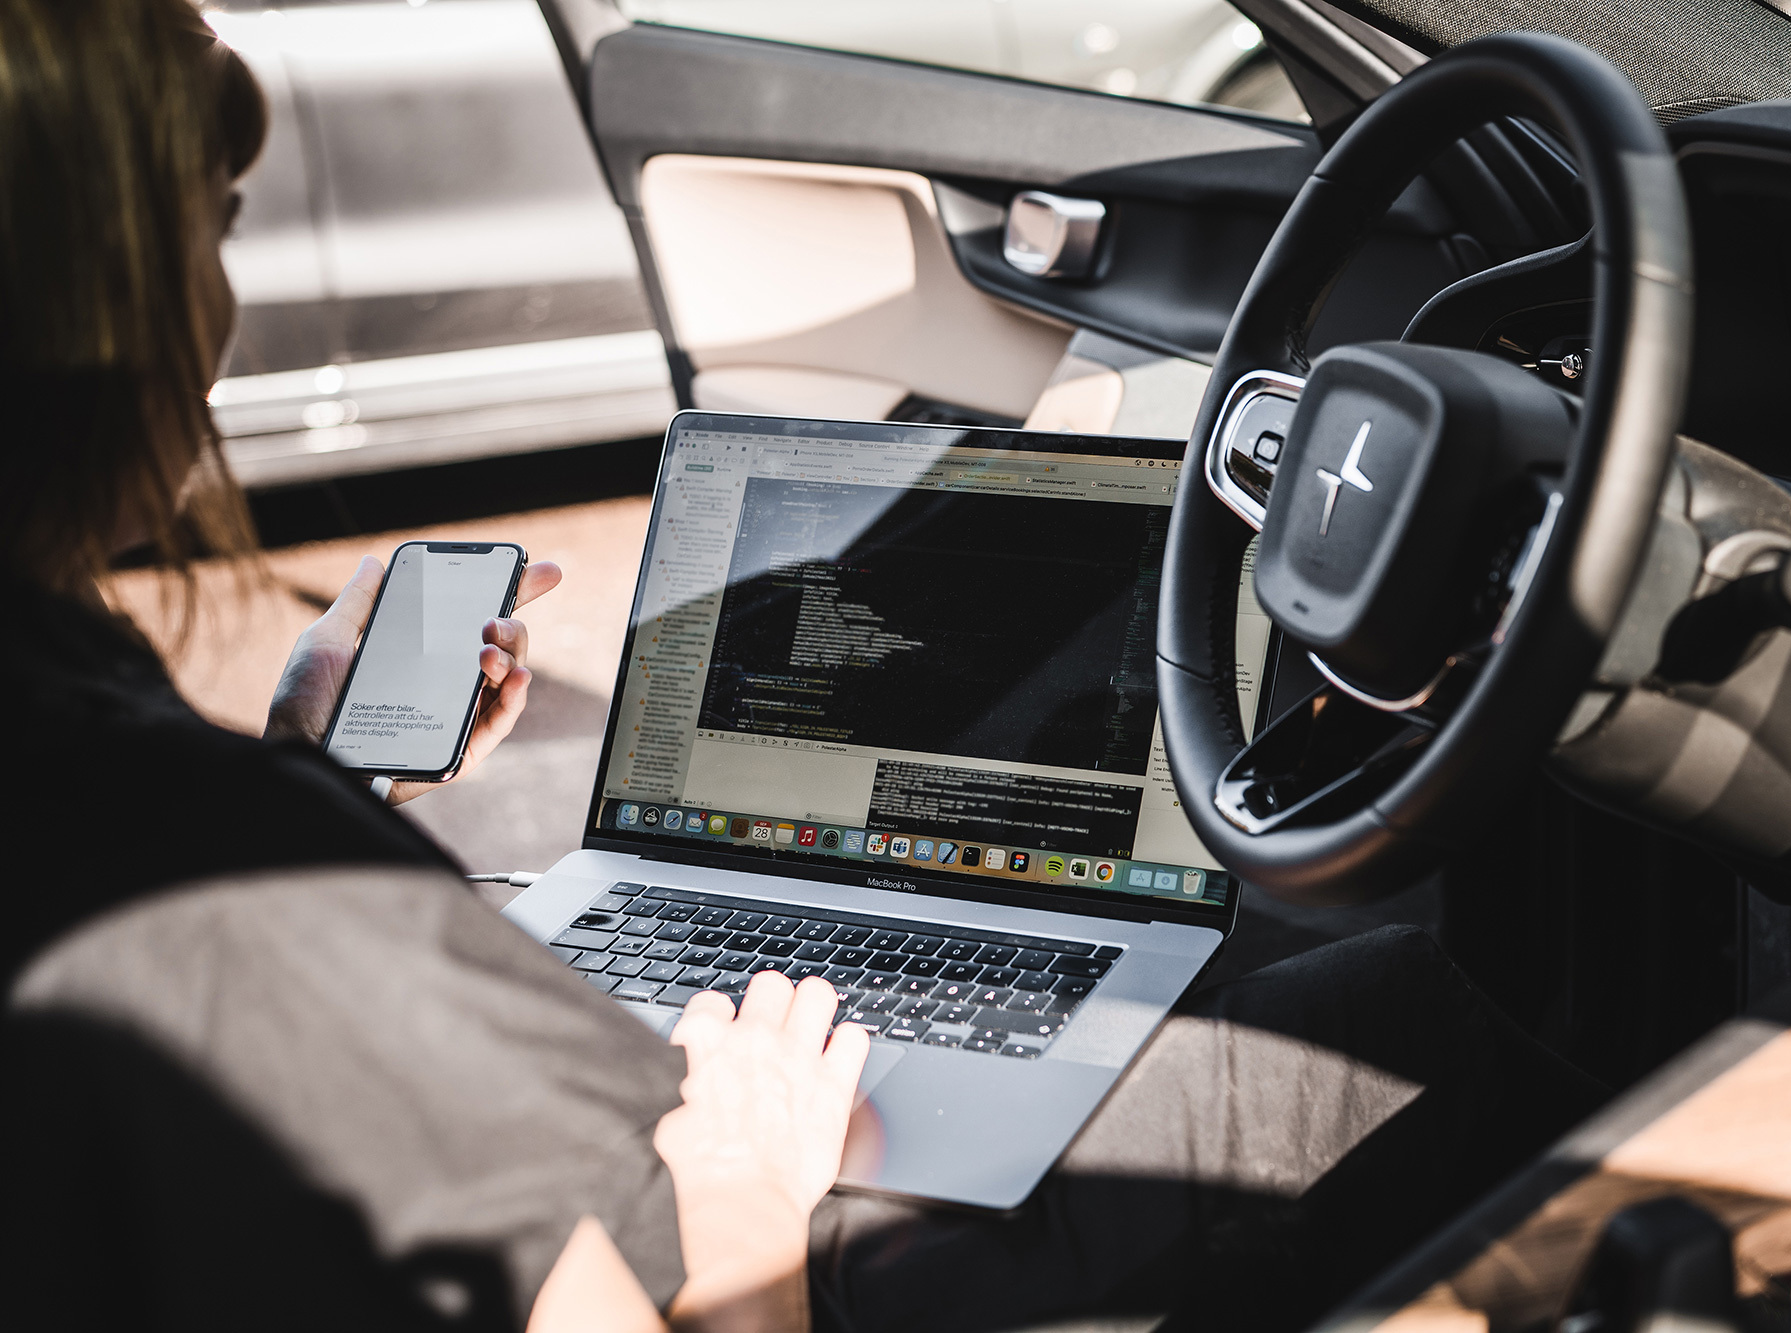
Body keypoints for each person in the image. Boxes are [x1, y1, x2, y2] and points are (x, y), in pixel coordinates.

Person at [0, 2, 1606, 1329]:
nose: (214, 306)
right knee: (1380, 1020)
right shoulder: (189, 849)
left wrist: (320, 764)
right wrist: (759, 1194)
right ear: (100, 292)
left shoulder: (104, 761)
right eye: (209, 228)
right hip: (736, 1233)